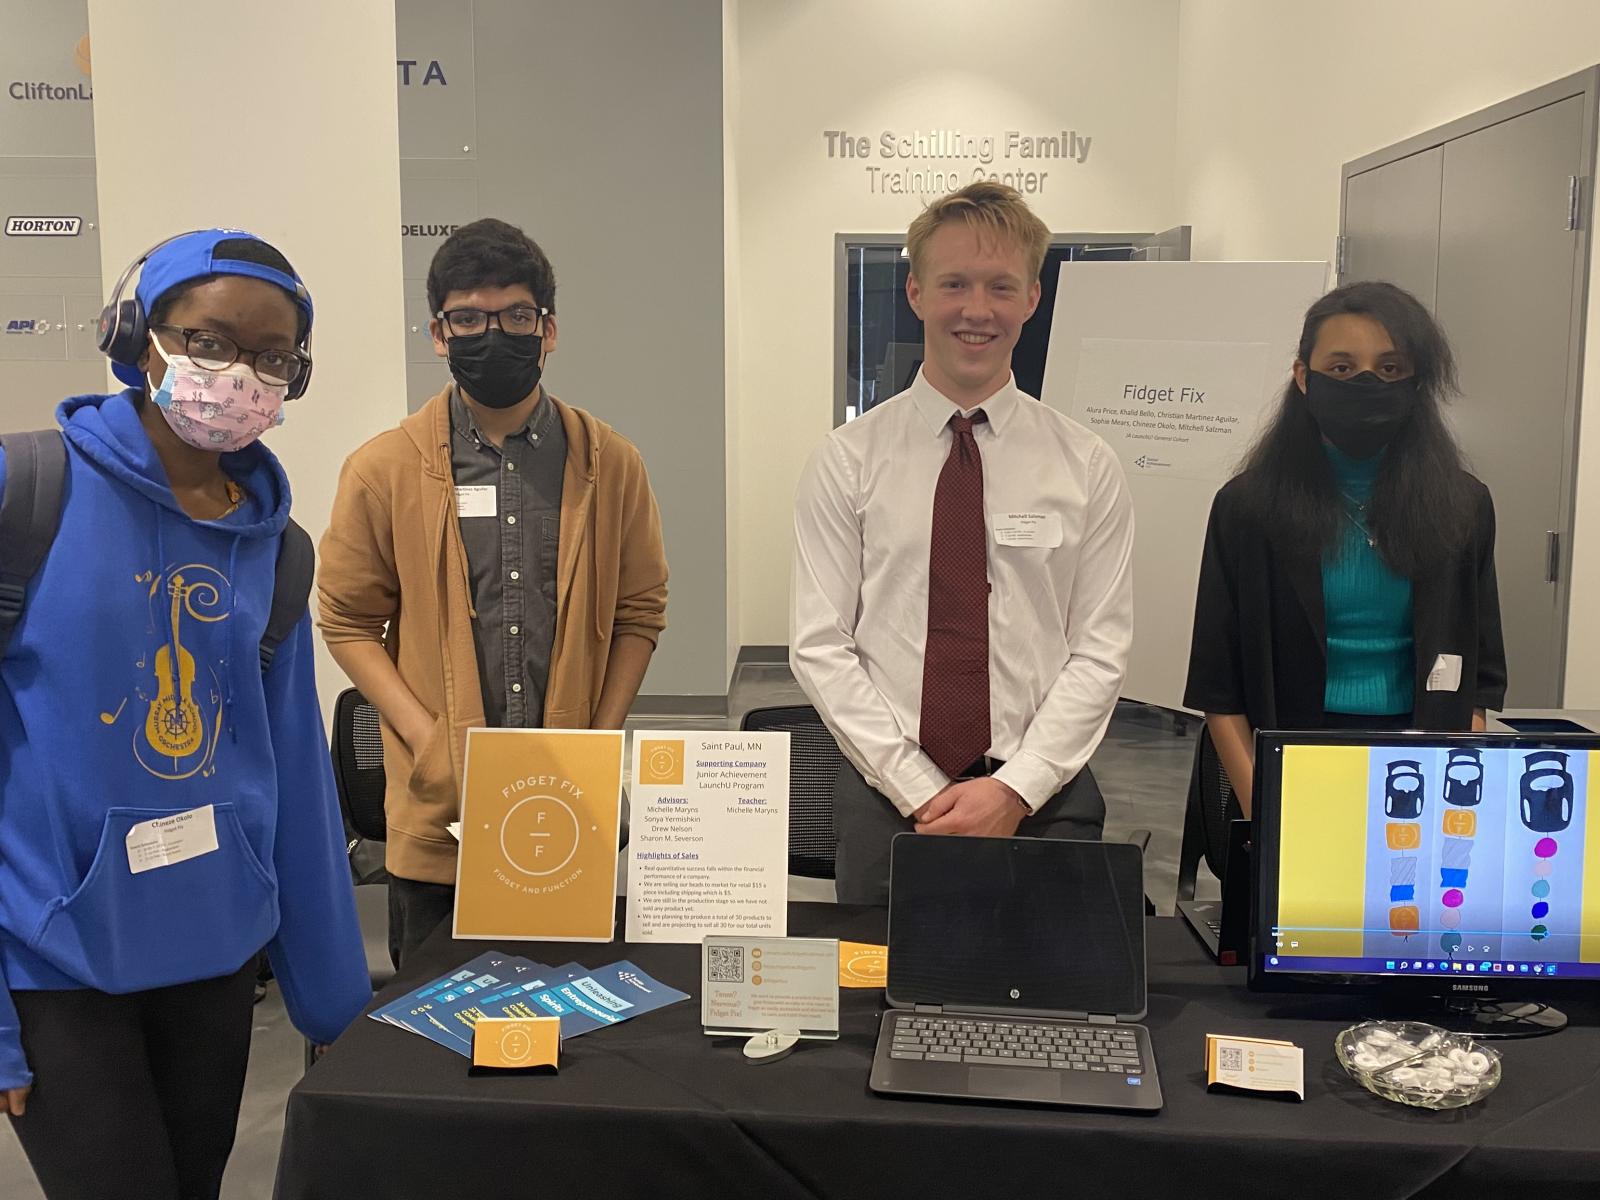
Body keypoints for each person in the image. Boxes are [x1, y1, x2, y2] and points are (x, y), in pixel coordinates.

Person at [0, 229, 370, 1199]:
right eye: (209, 341)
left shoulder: (279, 550)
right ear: (138, 337)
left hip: (211, 957)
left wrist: (333, 1006)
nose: (236, 373)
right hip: (55, 963)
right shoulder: (23, 494)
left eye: (269, 355)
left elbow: (291, 776)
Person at [318, 218, 668, 966]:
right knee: (437, 1045)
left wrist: (602, 737)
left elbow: (641, 612)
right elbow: (346, 619)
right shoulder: (382, 469)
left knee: (569, 1028)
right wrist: (427, 736)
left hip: (569, 800)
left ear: (548, 329)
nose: (493, 334)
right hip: (443, 811)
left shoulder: (613, 463)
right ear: (440, 334)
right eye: (469, 318)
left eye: (515, 316)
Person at [790, 182, 1135, 904]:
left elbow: (1101, 648)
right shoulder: (848, 459)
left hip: (1043, 801)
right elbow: (821, 644)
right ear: (916, 292)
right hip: (889, 804)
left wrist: (1016, 787)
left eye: (1001, 287)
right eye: (954, 284)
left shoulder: (1086, 464)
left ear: (1032, 300)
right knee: (878, 1014)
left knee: (1049, 1009)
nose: (977, 310)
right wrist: (919, 788)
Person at [1185, 280, 1506, 813]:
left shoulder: (1464, 506)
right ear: (1303, 378)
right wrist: (1264, 810)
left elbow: (1481, 675)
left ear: (1416, 382)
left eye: (1389, 368)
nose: (1365, 381)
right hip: (1290, 757)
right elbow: (1219, 688)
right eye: (1341, 367)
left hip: (1422, 760)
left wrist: (1456, 786)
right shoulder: (1247, 508)